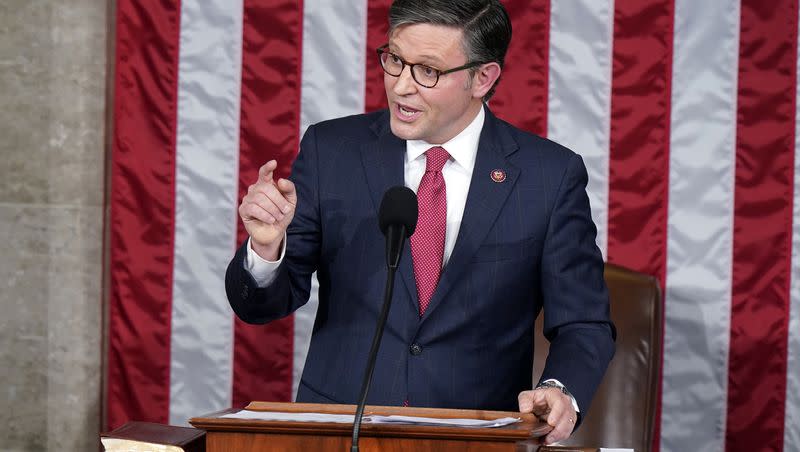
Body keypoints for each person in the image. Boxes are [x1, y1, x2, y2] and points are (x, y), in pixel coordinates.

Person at [225, 0, 615, 445]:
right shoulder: (332, 151)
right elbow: (260, 307)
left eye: (427, 70)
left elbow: (583, 322)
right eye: (394, 60)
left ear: (482, 78)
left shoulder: (548, 177)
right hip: (341, 433)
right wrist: (266, 250)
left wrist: (559, 389)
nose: (401, 87)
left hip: (476, 439)